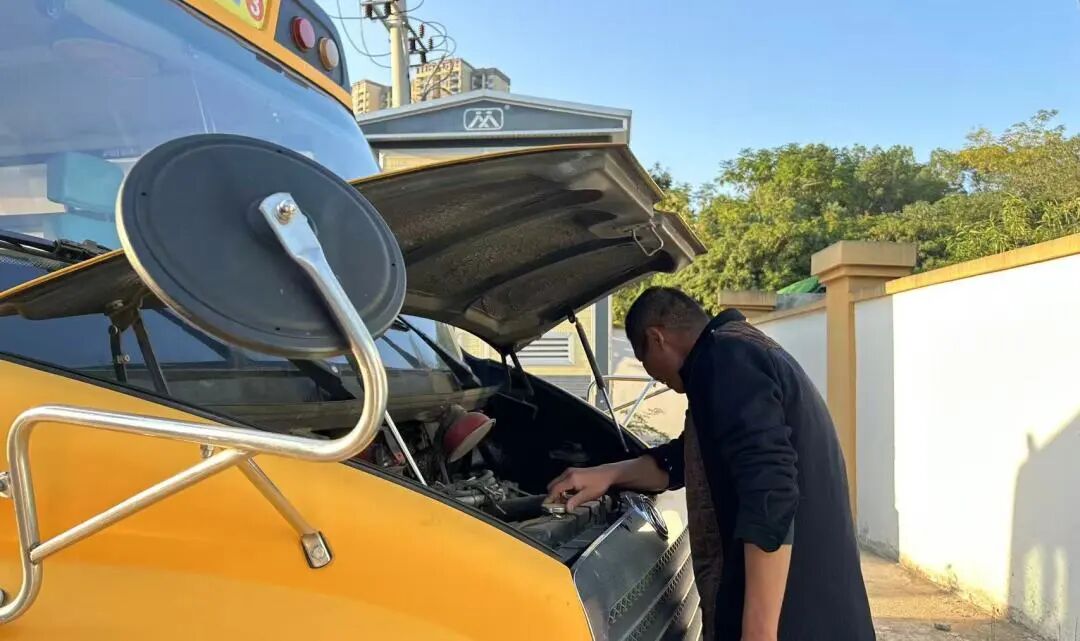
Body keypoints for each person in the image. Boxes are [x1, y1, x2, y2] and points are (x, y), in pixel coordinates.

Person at [546, 287, 876, 641]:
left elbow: (770, 493)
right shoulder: (742, 351)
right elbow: (683, 458)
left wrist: (759, 631)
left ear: (656, 339)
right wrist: (607, 474)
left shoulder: (726, 359)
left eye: (647, 365)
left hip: (795, 618)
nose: (660, 381)